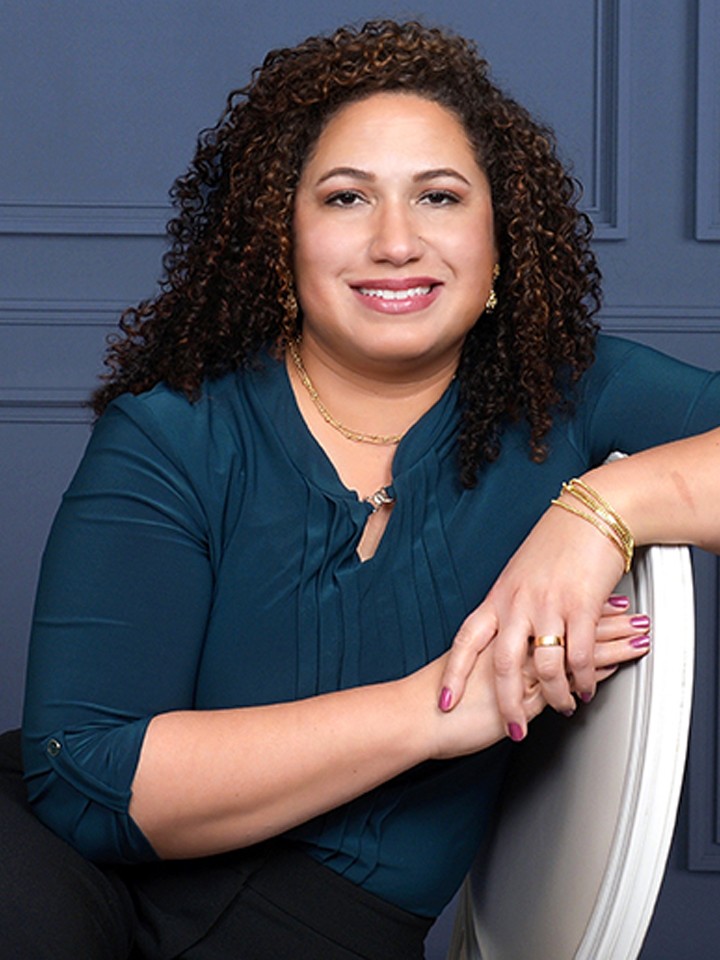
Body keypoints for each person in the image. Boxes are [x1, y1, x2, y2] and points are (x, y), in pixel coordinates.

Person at [4, 17, 719, 960]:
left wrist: (603, 509)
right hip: (59, 880)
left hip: (312, 929)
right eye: (346, 198)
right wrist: (434, 709)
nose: (395, 241)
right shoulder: (174, 432)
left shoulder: (572, 396)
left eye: (439, 196)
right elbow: (85, 777)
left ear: (500, 240)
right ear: (280, 239)